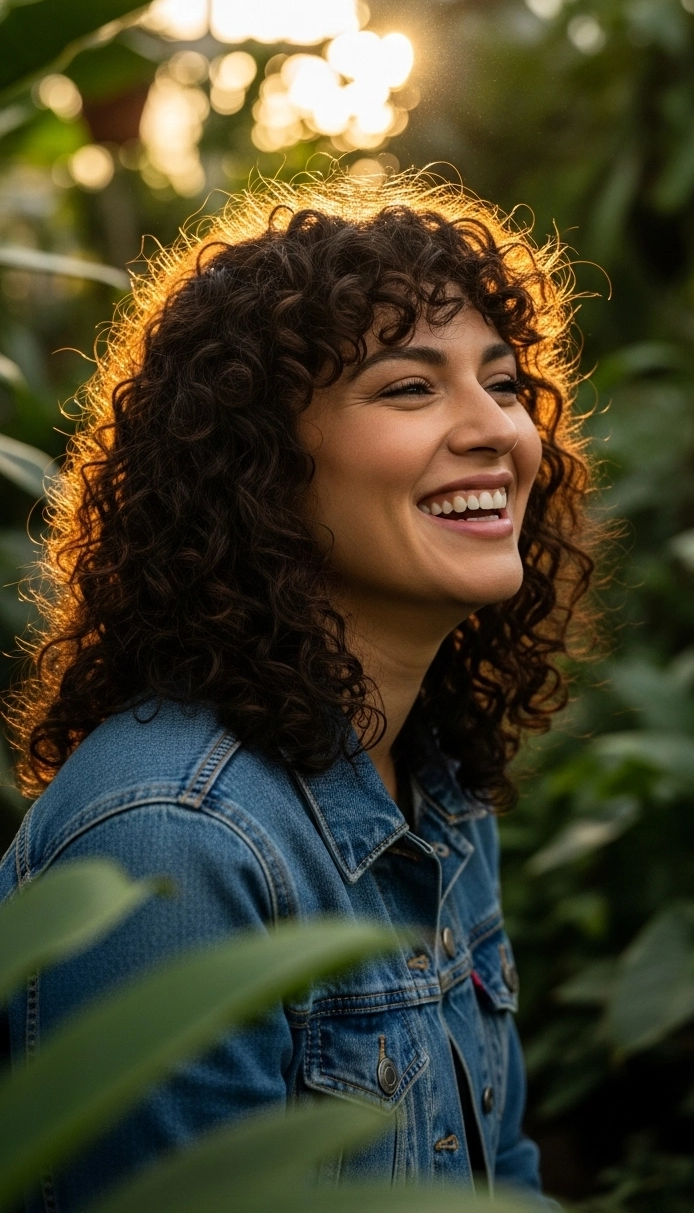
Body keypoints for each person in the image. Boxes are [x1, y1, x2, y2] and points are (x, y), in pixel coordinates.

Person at [0, 172, 593, 1211]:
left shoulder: (430, 783)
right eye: (410, 388)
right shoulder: (176, 839)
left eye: (501, 383)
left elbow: (504, 1179)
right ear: (259, 467)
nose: (495, 428)